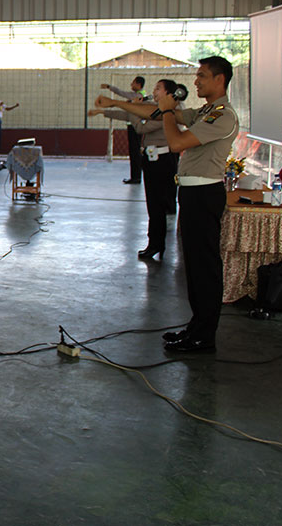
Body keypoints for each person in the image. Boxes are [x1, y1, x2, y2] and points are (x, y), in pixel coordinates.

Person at [96, 57, 238, 353]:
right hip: (192, 192)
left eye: (202, 76)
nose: (196, 81)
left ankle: (204, 336)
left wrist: (169, 110)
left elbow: (176, 142)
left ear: (220, 79)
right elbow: (154, 112)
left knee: (205, 267)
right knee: (194, 267)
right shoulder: (205, 111)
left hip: (205, 194)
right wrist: (116, 103)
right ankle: (196, 327)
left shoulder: (223, 116)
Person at [92, 78, 182, 261]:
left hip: (162, 160)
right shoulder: (153, 107)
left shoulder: (168, 113)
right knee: (153, 204)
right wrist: (104, 112)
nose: (154, 91)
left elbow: (141, 127)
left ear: (168, 93)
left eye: (158, 88)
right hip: (151, 159)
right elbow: (128, 115)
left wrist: (133, 107)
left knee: (157, 205)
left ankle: (156, 244)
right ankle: (155, 243)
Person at [101, 77, 146, 184]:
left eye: (133, 83)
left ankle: (136, 177)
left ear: (138, 84)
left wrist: (109, 87)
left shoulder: (138, 96)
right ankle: (135, 176)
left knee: (135, 152)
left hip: (135, 126)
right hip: (134, 126)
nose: (131, 84)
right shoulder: (138, 96)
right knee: (134, 152)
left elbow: (122, 93)